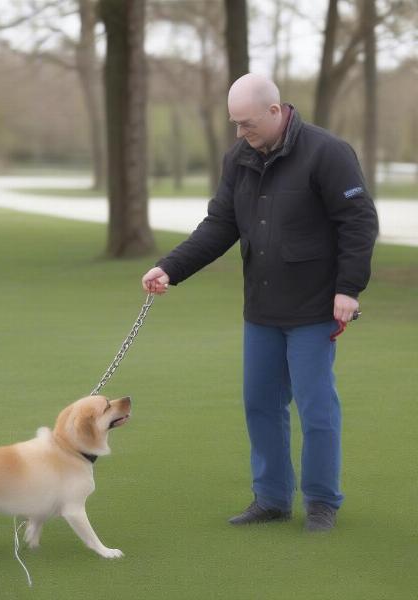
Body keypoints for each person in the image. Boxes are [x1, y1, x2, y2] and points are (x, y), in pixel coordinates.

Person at [141, 73, 379, 532]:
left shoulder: (327, 152)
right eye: (234, 123)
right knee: (260, 404)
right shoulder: (240, 158)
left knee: (316, 408)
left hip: (314, 307)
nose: (239, 133)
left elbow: (358, 221)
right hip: (262, 308)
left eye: (246, 123)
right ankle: (271, 498)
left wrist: (349, 288)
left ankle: (321, 502)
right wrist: (170, 267)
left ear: (276, 111)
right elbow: (219, 225)